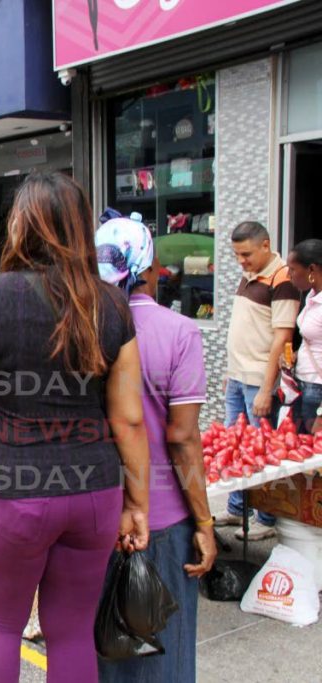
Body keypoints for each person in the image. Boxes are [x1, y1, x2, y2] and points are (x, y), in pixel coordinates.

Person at [0, 172, 150, 683]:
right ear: (79, 229)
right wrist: (138, 503)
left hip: (15, 487)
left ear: (19, 227)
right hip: (94, 489)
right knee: (71, 632)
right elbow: (129, 419)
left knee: (0, 625)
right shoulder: (113, 305)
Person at [95, 218, 217, 683]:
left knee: (103, 651)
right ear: (147, 268)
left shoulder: (82, 331)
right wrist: (205, 524)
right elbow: (183, 438)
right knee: (162, 656)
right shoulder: (179, 332)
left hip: (94, 514)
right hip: (162, 521)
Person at [217, 221, 299, 540]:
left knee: (262, 450)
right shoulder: (249, 274)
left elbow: (282, 336)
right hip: (238, 377)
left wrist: (267, 389)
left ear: (266, 246)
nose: (241, 261)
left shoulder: (282, 279)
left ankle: (265, 517)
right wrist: (229, 373)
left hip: (258, 382)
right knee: (235, 445)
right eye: (237, 255)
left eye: (246, 254)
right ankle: (238, 508)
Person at [285, 239, 322, 434]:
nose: (288, 274)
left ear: (312, 270)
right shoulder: (311, 297)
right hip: (304, 385)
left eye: (292, 269)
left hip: (318, 390)